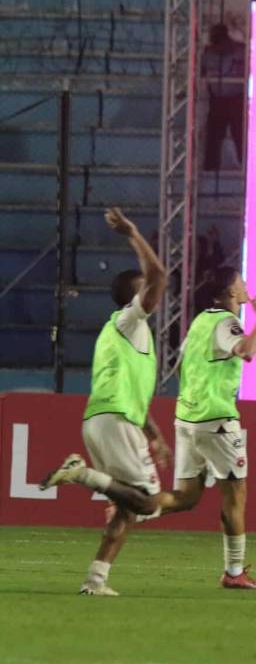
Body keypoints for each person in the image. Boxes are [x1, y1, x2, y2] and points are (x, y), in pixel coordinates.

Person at [40, 208, 169, 596]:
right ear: (136, 295)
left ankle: (95, 580)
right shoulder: (130, 320)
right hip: (114, 420)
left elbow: (129, 390)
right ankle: (81, 474)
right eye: (145, 287)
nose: (155, 291)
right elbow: (161, 275)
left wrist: (155, 433)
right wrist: (132, 233)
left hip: (106, 417)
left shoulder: (123, 334)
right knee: (150, 504)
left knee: (128, 509)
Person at [148, 268, 256, 589]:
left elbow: (180, 367)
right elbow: (247, 351)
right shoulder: (227, 322)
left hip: (187, 418)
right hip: (215, 421)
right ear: (230, 292)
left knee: (187, 497)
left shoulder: (199, 322)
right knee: (235, 493)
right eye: (241, 282)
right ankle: (234, 572)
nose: (245, 286)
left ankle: (133, 508)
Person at [201, 23, 246, 171]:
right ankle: (210, 167)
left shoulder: (241, 51)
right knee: (213, 136)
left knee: (240, 135)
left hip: (237, 99)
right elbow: (199, 73)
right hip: (217, 100)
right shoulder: (208, 54)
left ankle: (246, 166)